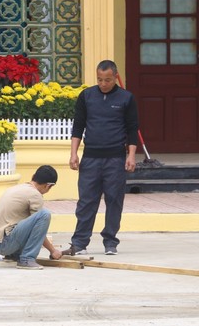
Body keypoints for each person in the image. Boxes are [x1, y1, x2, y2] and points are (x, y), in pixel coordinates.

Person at [63, 60, 139, 256]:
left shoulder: (126, 98)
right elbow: (78, 127)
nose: (103, 83)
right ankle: (79, 242)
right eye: (99, 79)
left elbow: (132, 129)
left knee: (114, 200)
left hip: (115, 158)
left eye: (107, 80)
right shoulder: (87, 96)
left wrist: (130, 156)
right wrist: (73, 153)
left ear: (115, 77)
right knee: (86, 200)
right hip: (91, 158)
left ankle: (110, 241)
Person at [0, 165, 64, 269]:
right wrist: (53, 251)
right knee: (44, 215)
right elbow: (39, 228)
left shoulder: (17, 188)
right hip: (5, 244)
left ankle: (13, 255)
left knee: (22, 220)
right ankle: (27, 259)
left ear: (33, 176)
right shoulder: (35, 195)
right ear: (48, 185)